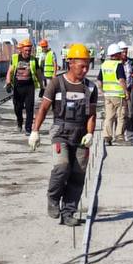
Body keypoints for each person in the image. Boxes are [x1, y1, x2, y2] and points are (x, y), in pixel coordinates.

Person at [28, 43, 97, 223]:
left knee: (78, 174)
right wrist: (35, 131)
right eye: (81, 65)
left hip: (81, 134)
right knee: (62, 167)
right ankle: (53, 199)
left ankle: (68, 213)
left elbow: (91, 114)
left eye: (87, 65)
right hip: (61, 132)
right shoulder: (56, 83)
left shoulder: (90, 88)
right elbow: (43, 108)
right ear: (70, 63)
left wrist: (90, 133)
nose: (85, 69)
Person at [6, 38, 43, 134]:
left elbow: (39, 74)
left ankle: (28, 128)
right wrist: (8, 83)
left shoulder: (34, 60)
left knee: (29, 108)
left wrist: (42, 87)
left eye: (29, 50)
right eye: (26, 50)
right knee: (17, 107)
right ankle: (19, 122)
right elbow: (9, 71)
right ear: (21, 49)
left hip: (29, 87)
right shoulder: (15, 58)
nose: (28, 52)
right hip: (18, 88)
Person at [100, 42, 129, 145]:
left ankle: (107, 137)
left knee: (109, 116)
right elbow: (121, 80)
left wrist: (102, 91)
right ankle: (119, 137)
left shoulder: (104, 65)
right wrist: (126, 92)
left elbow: (99, 80)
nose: (122, 54)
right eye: (120, 53)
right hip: (118, 95)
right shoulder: (118, 64)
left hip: (108, 95)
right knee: (121, 115)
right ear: (116, 54)